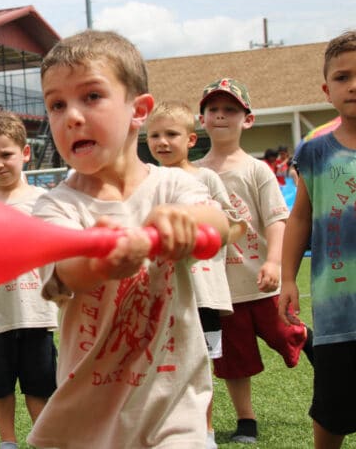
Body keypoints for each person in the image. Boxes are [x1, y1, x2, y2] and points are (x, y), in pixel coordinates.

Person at [25, 30, 236, 449]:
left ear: (139, 110)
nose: (72, 116)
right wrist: (100, 259)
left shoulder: (172, 185)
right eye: (56, 104)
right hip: (88, 419)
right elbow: (67, 272)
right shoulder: (55, 207)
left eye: (91, 97)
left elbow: (217, 224)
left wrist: (186, 222)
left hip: (172, 407)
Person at [195, 77, 313, 444]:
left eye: (230, 109)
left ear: (248, 119)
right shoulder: (194, 173)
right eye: (213, 109)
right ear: (201, 120)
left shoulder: (256, 169)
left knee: (286, 334)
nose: (220, 116)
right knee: (233, 361)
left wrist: (274, 263)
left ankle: (318, 352)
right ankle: (247, 421)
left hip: (262, 283)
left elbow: (278, 220)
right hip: (220, 293)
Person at [146, 100, 243, 449]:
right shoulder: (147, 180)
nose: (162, 142)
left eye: (171, 134)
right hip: (162, 295)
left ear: (190, 139)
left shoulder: (206, 178)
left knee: (200, 368)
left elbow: (233, 226)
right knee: (162, 368)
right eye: (154, 135)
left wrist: (207, 237)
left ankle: (206, 434)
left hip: (203, 292)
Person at [279, 30, 356, 449]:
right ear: (327, 90)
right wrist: (288, 279)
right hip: (335, 311)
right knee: (332, 406)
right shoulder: (314, 151)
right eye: (343, 77)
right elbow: (300, 217)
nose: (354, 85)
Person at [0, 111, 59, 449]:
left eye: (6, 154)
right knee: (0, 385)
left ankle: (43, 439)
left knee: (40, 384)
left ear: (25, 153)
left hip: (37, 310)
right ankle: (8, 442)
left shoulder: (43, 201)